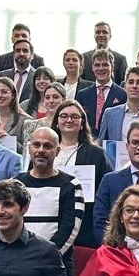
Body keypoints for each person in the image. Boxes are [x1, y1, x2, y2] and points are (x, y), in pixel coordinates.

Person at [16, 127, 85, 276]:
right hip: (18, 266)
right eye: (36, 145)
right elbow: (7, 224)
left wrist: (44, 259)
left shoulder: (71, 185)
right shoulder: (16, 183)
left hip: (56, 267)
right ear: (29, 148)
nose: (41, 150)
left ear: (57, 150)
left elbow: (69, 229)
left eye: (47, 146)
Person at [49, 98, 114, 247]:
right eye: (64, 116)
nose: (69, 120)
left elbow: (105, 191)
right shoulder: (44, 149)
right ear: (57, 122)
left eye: (75, 116)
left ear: (82, 123)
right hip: (50, 219)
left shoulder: (96, 154)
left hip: (85, 225)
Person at [98, 66, 139, 143]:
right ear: (125, 87)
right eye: (131, 82)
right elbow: (101, 145)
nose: (134, 86)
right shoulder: (110, 114)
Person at [77, 53, 127, 133]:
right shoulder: (82, 95)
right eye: (97, 65)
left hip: (112, 141)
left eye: (105, 65)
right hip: (88, 141)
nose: (100, 68)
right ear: (92, 68)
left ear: (112, 67)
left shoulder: (123, 95)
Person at [0, 39, 40, 103]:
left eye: (25, 51)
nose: (21, 53)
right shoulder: (3, 75)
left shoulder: (37, 77)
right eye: (18, 51)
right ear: (13, 54)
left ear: (32, 55)